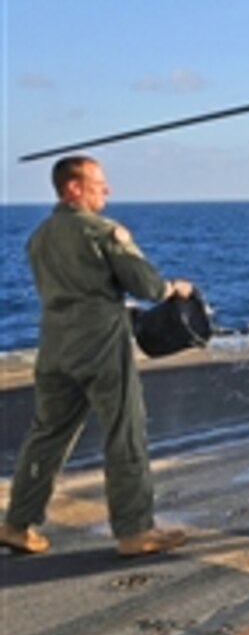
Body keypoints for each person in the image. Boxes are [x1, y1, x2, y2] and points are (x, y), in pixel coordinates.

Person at [0, 156, 193, 557]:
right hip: (101, 345)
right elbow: (147, 285)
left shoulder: (38, 237)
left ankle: (18, 524)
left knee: (47, 435)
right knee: (125, 432)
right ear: (73, 188)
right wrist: (175, 287)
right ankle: (135, 530)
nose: (107, 190)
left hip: (54, 345)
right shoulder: (103, 232)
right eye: (98, 183)